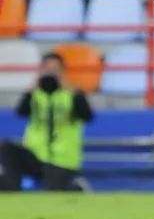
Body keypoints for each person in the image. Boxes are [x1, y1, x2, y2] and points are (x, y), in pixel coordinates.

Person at [0, 53, 93, 192]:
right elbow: (20, 112)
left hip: (62, 160)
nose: (51, 73)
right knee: (7, 148)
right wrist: (31, 89)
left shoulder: (72, 94)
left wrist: (74, 92)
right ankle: (11, 189)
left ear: (62, 71)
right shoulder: (36, 94)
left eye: (55, 69)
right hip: (36, 155)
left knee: (54, 192)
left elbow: (87, 116)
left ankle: (76, 187)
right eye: (47, 69)